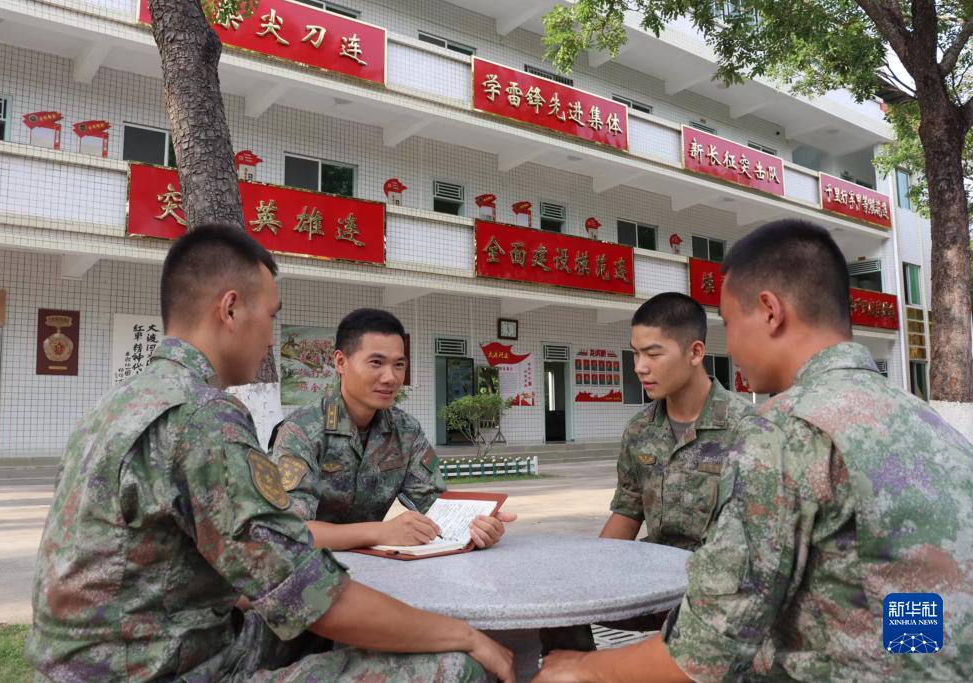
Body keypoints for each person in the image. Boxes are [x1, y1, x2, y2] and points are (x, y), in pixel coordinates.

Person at [25, 225, 514, 682]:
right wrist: (466, 635)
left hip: (117, 655)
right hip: (165, 667)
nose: (272, 337)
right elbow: (311, 595)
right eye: (272, 316)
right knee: (458, 667)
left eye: (399, 365)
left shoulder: (122, 401)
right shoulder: (204, 417)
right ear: (231, 309)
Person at [535, 219, 973, 682]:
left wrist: (584, 669)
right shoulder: (925, 420)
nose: (732, 343)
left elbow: (705, 652)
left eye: (729, 322)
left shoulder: (782, 429)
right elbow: (911, 594)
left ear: (769, 311)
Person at [540, 292, 753, 654]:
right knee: (556, 600)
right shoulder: (640, 429)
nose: (639, 366)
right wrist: (582, 574)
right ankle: (576, 671)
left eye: (653, 354)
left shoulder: (746, 428)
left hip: (719, 589)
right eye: (635, 354)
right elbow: (628, 509)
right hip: (653, 578)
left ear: (695, 352)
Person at [269, 308, 515, 551]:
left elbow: (433, 505)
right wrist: (382, 531)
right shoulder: (300, 431)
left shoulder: (405, 431)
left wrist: (475, 525)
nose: (391, 377)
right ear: (340, 362)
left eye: (399, 365)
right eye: (376, 362)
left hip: (377, 568)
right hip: (308, 574)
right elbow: (288, 530)